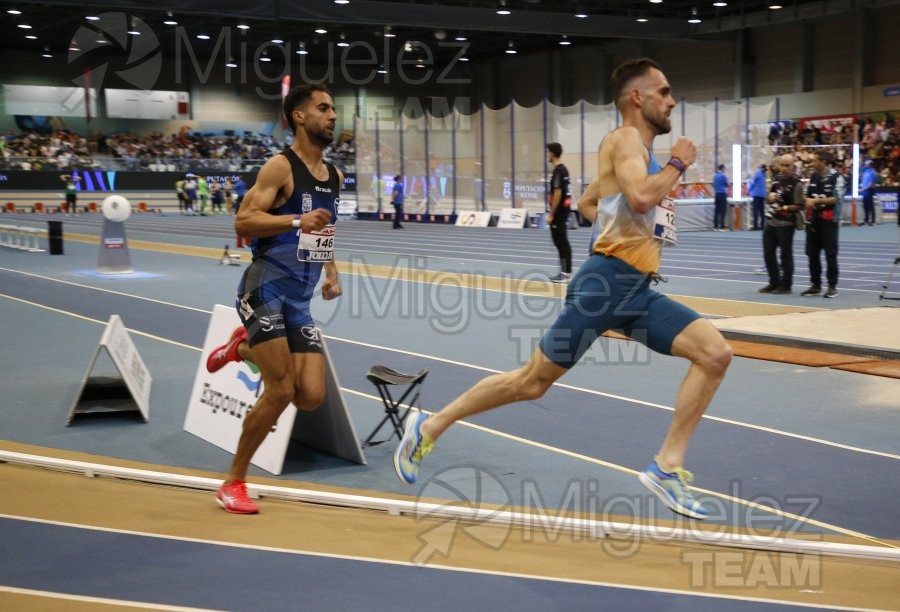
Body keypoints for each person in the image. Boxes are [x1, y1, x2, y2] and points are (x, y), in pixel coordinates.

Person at [394, 58, 733, 520]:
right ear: (638, 97)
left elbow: (592, 203)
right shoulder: (625, 139)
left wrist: (622, 231)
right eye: (665, 91)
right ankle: (428, 426)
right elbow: (640, 198)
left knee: (715, 354)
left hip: (633, 287)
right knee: (531, 383)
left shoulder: (638, 153)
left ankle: (666, 467)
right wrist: (678, 163)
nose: (672, 100)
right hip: (606, 285)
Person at [205, 84, 343, 514]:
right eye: (323, 108)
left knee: (310, 396)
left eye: (334, 109)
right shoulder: (279, 168)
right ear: (299, 117)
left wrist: (332, 269)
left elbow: (322, 227)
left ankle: (240, 347)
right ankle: (234, 482)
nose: (333, 115)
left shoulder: (334, 176)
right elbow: (243, 220)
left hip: (300, 299)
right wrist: (296, 217)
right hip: (264, 288)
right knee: (280, 389)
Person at [800, 151, 843, 298]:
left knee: (830, 255)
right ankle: (815, 285)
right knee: (812, 254)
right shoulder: (813, 176)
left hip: (829, 222)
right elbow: (805, 194)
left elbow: (836, 198)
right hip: (813, 221)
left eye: (815, 161)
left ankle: (832, 286)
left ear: (823, 162)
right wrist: (805, 200)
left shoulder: (836, 177)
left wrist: (816, 202)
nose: (812, 164)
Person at [760, 154, 804, 294]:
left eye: (787, 165)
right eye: (782, 165)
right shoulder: (777, 180)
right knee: (768, 254)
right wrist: (769, 197)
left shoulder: (797, 183)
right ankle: (774, 282)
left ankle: (786, 285)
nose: (784, 168)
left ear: (793, 167)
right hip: (772, 221)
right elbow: (769, 199)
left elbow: (800, 205)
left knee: (785, 255)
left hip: (786, 223)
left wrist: (785, 208)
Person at [546, 142, 573, 283]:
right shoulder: (565, 170)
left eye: (548, 152)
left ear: (552, 153)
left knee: (561, 242)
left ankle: (565, 273)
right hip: (564, 211)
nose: (547, 155)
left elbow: (557, 192)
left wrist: (551, 213)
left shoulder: (558, 171)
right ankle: (565, 272)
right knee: (561, 242)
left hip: (559, 213)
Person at [748, 164, 768, 230]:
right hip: (762, 195)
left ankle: (755, 225)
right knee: (762, 211)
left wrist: (749, 190)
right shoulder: (764, 175)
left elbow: (753, 182)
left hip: (756, 195)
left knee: (755, 211)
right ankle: (762, 225)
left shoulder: (757, 173)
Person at [859, 160, 878, 226]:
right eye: (865, 164)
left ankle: (872, 221)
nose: (866, 165)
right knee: (865, 206)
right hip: (864, 191)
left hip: (869, 191)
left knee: (870, 206)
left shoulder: (873, 173)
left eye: (867, 164)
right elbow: (863, 180)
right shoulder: (866, 171)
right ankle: (866, 220)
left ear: (871, 165)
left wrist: (862, 189)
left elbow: (870, 184)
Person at [712, 163, 730, 231]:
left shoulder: (715, 176)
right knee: (723, 211)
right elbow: (727, 184)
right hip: (722, 194)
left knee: (717, 211)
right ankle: (722, 226)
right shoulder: (723, 176)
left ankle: (715, 226)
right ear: (722, 168)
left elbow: (714, 184)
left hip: (716, 194)